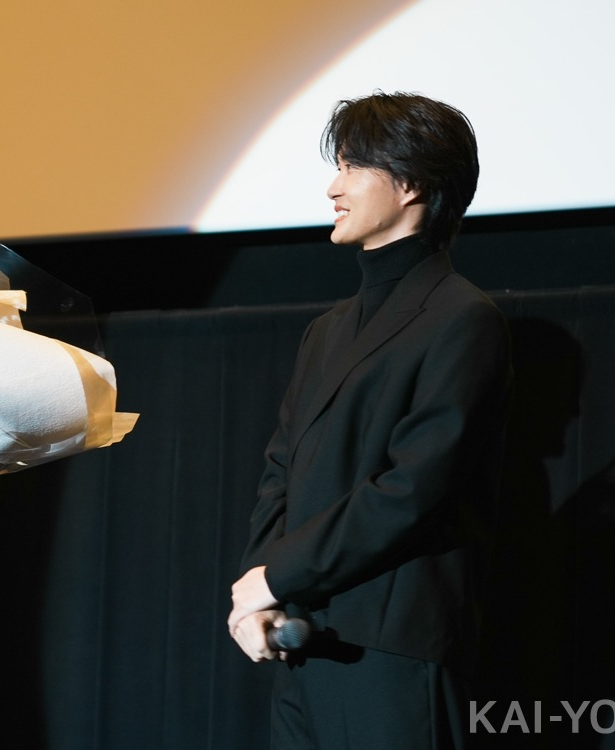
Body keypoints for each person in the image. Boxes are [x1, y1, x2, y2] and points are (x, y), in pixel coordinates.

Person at [227, 92, 512, 749]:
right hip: (302, 640)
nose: (333, 187)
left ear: (410, 183)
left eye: (353, 168)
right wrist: (259, 593)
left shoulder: (462, 319)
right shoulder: (326, 331)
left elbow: (413, 490)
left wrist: (277, 575)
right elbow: (281, 474)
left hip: (390, 650)